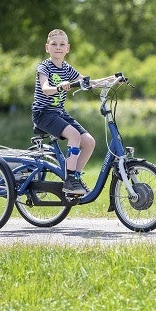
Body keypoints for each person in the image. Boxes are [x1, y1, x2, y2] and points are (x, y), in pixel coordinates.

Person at [31, 29, 109, 196]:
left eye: (62, 44)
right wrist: (59, 86)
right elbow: (45, 89)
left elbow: (87, 82)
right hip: (43, 113)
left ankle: (76, 178)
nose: (58, 47)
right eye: (54, 44)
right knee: (74, 136)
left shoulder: (66, 68)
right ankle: (69, 180)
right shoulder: (44, 67)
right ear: (47, 47)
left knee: (89, 142)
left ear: (68, 48)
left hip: (58, 112)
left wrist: (111, 80)